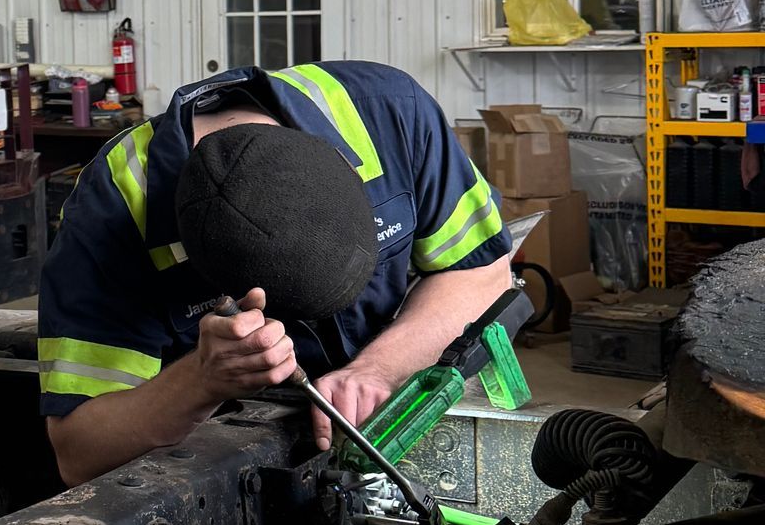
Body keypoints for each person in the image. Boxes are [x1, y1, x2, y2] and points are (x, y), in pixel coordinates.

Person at [39, 58, 513, 483]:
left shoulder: (390, 118)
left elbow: (483, 273)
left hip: (394, 409)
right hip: (228, 458)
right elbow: (78, 452)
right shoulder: (111, 212)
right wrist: (203, 380)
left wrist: (377, 370)